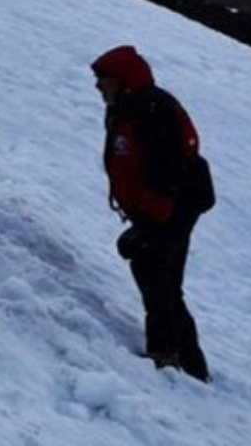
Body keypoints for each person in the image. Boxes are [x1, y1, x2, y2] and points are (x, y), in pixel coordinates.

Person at [90, 45, 215, 382]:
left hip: (173, 207)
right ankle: (186, 360)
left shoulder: (150, 109)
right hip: (164, 208)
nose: (98, 87)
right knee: (158, 275)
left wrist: (147, 223)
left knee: (157, 274)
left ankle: (170, 355)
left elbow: (167, 170)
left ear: (121, 80)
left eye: (103, 80)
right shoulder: (128, 107)